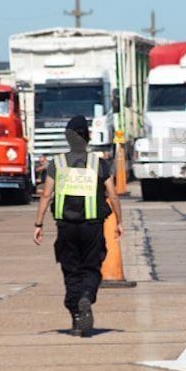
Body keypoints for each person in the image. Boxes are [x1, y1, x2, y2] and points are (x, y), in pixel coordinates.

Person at [33, 115, 123, 338]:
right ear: (88, 137)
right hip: (92, 226)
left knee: (71, 271)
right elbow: (112, 194)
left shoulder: (58, 163)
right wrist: (119, 221)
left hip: (66, 227)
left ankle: (76, 316)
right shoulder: (98, 163)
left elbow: (46, 195)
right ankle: (86, 297)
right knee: (92, 268)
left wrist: (38, 223)